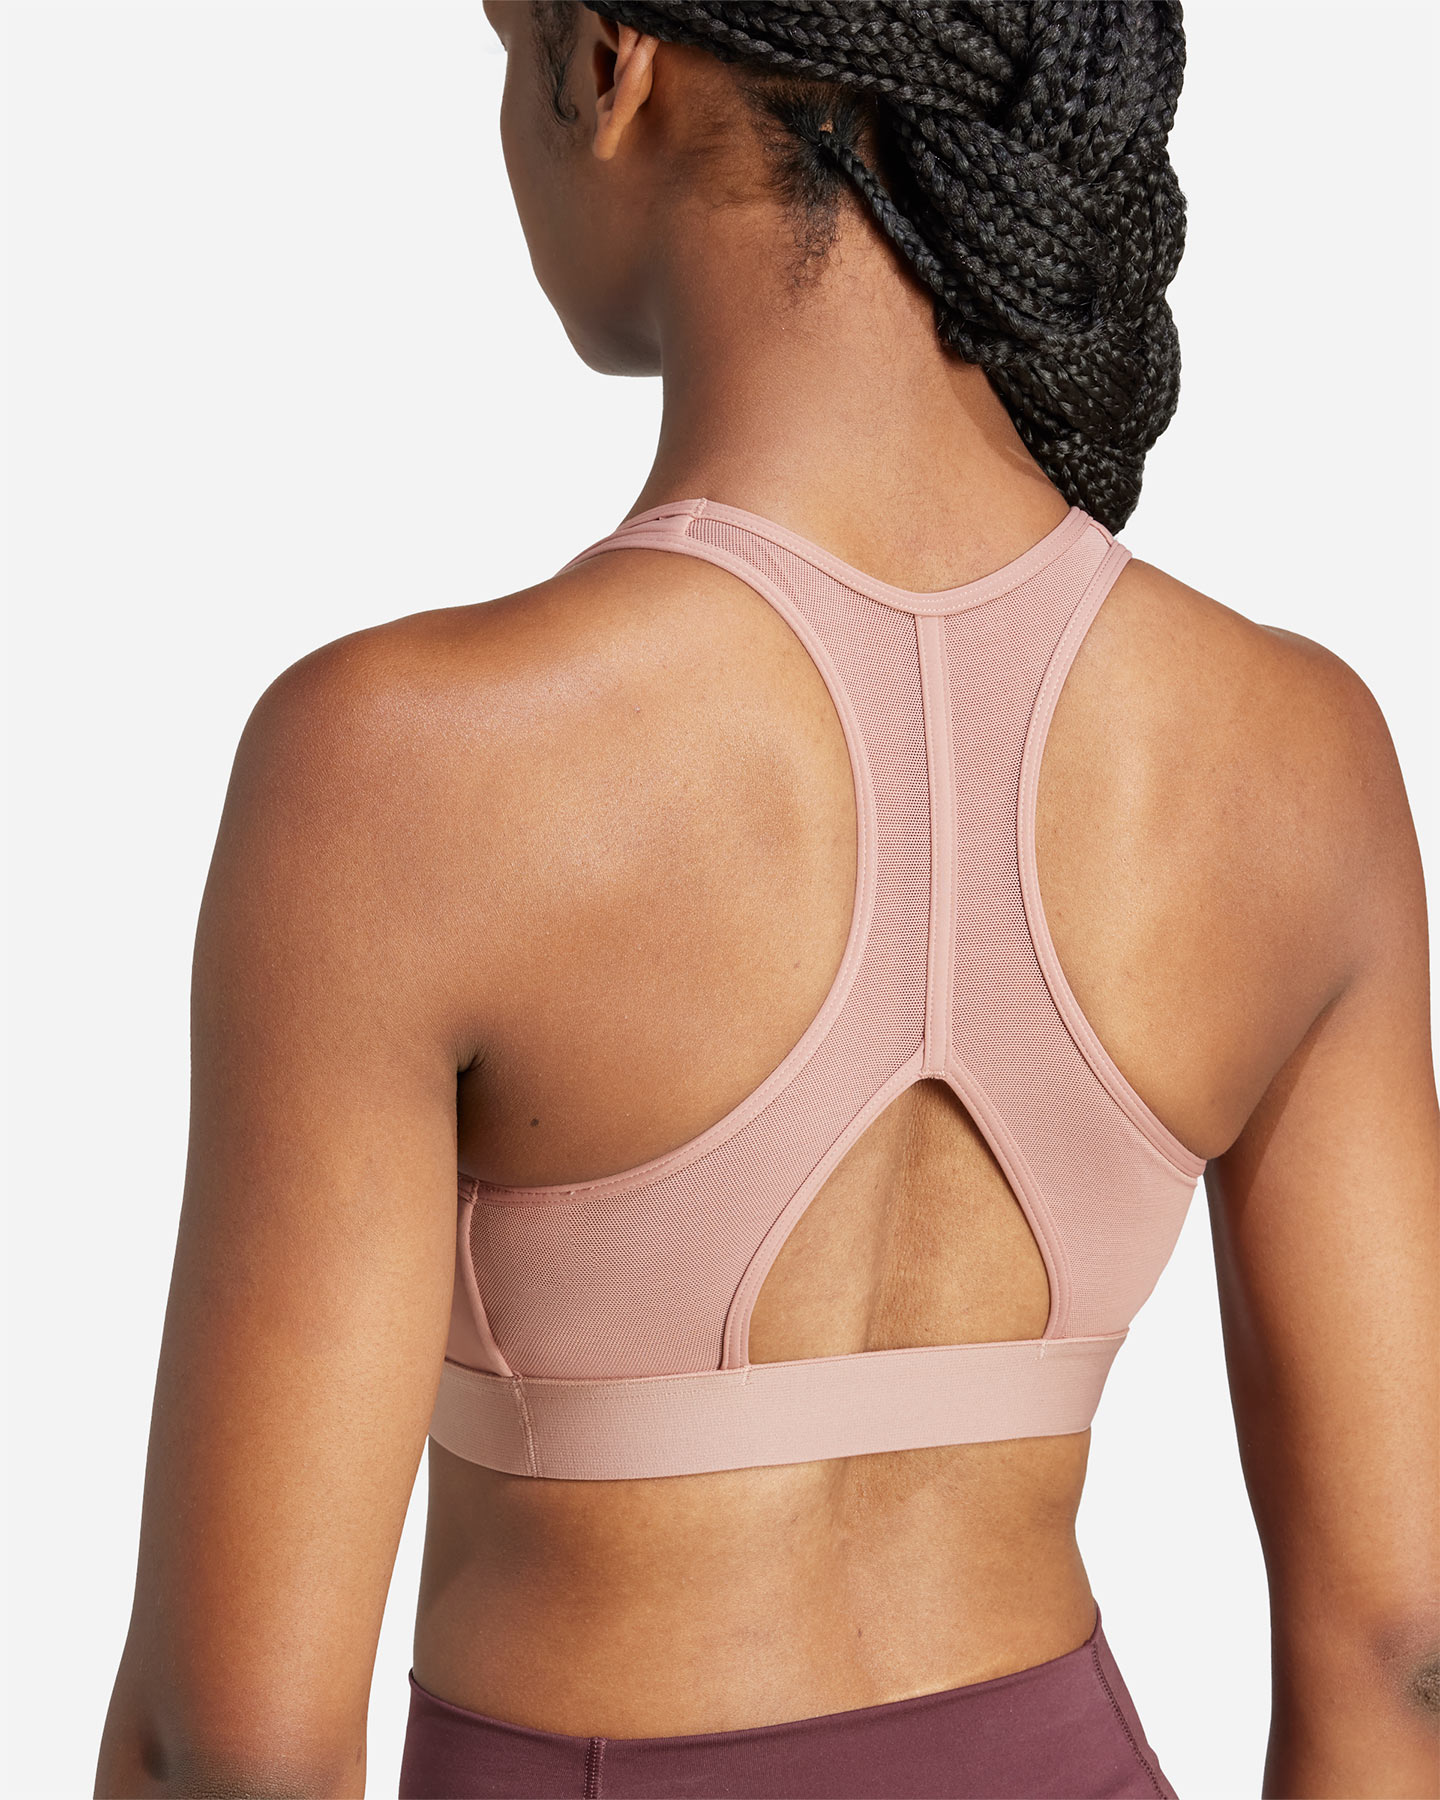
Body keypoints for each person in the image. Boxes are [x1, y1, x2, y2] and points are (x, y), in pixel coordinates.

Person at [94, 4, 1438, 1797]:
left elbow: (227, 1751)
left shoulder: (399, 770)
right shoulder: (1301, 759)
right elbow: (1404, 1657)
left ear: (608, 60)